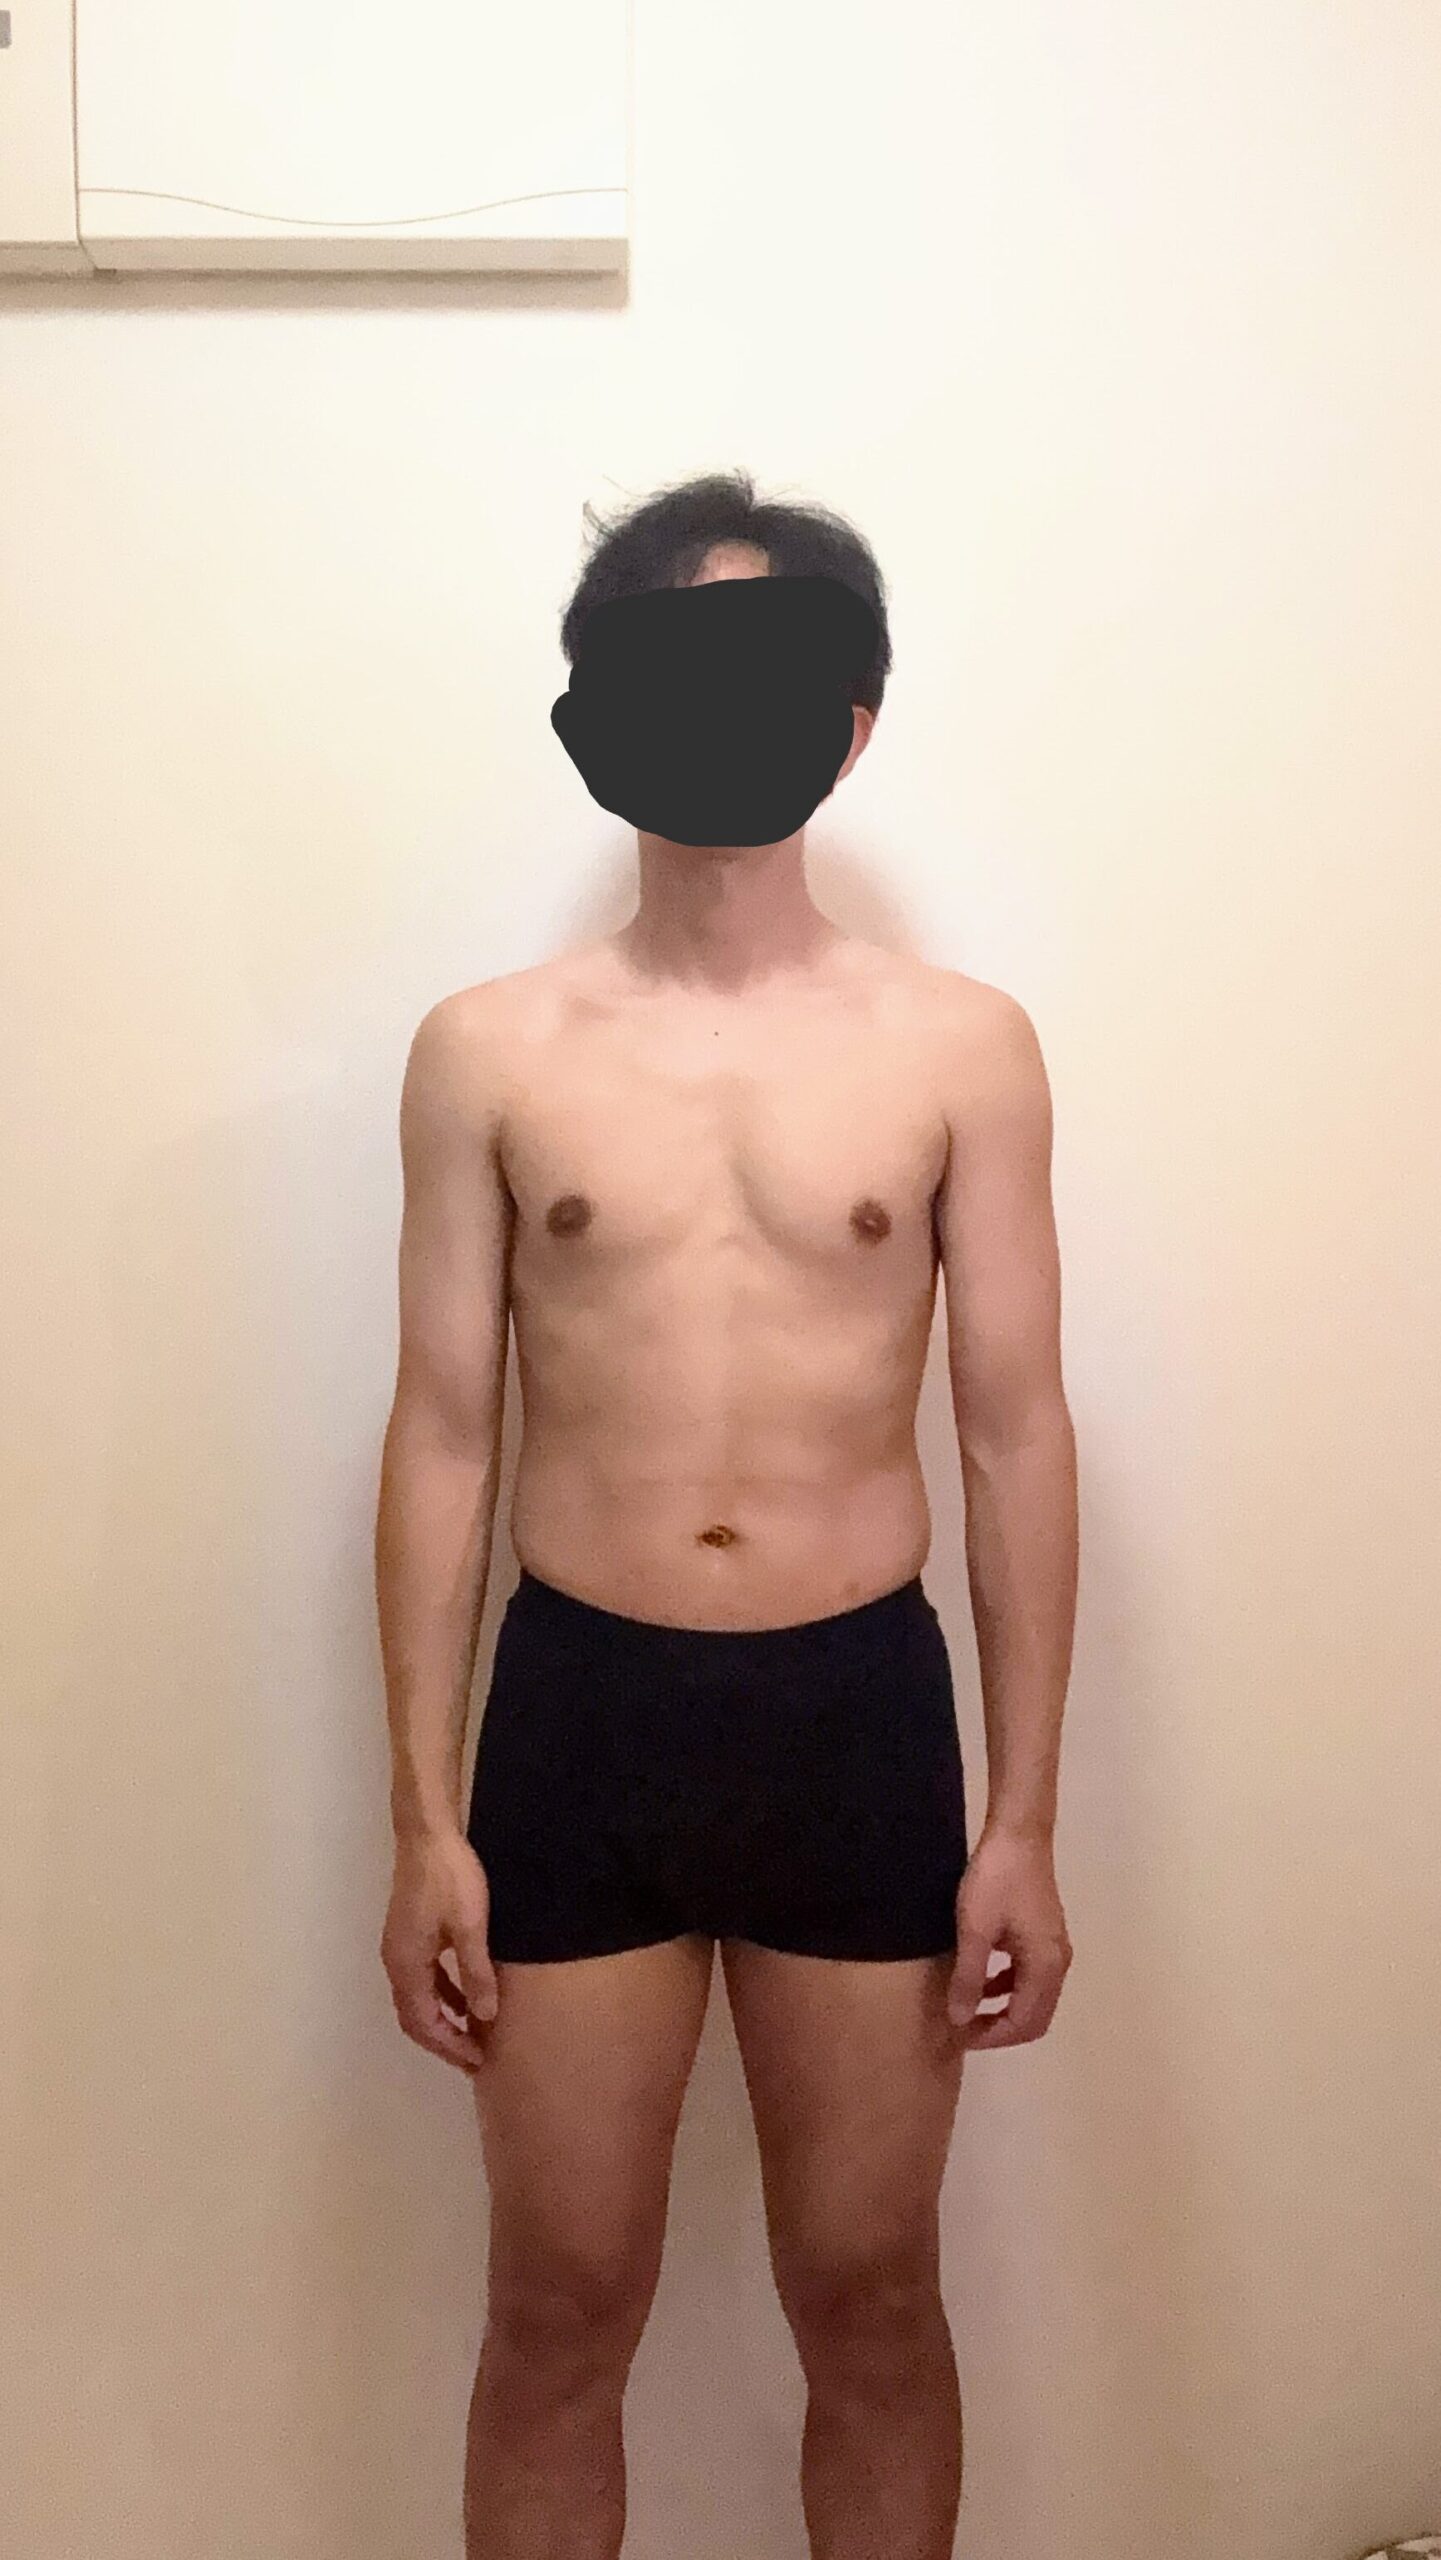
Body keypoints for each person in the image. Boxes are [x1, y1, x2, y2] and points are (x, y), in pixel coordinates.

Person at [374, 468, 1078, 2560]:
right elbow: (440, 1436)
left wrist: (1023, 1818)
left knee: (867, 2297)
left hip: (851, 1712)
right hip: (580, 1714)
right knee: (558, 2305)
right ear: (598, 708)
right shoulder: (489, 1051)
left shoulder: (960, 1049)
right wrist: (424, 1816)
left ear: (846, 720)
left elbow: (1014, 1434)